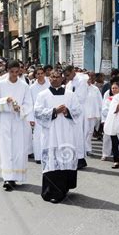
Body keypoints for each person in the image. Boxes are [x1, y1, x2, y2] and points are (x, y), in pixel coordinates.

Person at [34, 70, 81, 203]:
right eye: (52, 77)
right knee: (52, 163)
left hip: (66, 133)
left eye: (57, 77)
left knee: (65, 161)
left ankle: (64, 189)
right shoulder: (42, 95)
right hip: (51, 134)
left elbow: (78, 111)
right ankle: (51, 192)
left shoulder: (70, 95)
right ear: (49, 79)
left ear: (62, 79)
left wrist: (67, 111)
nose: (54, 79)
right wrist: (54, 111)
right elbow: (37, 112)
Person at [0, 61, 33, 191]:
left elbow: (29, 103)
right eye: (12, 72)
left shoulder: (24, 86)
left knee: (18, 148)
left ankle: (16, 175)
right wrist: (6, 101)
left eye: (17, 72)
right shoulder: (0, 84)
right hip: (5, 120)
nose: (14, 75)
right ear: (7, 71)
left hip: (19, 121)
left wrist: (20, 109)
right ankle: (7, 177)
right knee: (5, 148)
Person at [64, 66, 88, 169]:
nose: (67, 77)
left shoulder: (81, 81)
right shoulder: (69, 84)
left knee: (78, 135)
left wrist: (69, 101)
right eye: (65, 76)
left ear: (73, 71)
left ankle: (80, 159)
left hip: (78, 111)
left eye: (68, 75)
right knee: (71, 136)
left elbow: (81, 97)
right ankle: (74, 158)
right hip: (69, 111)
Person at [29, 67, 50, 163]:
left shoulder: (49, 85)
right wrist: (31, 118)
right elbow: (30, 103)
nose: (40, 75)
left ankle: (47, 156)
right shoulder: (32, 88)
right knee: (37, 136)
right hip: (37, 116)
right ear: (35, 75)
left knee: (48, 136)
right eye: (38, 73)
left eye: (42, 73)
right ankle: (38, 157)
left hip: (49, 114)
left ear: (44, 74)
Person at [102, 82, 119, 169]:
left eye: (116, 88)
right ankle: (116, 161)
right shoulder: (108, 99)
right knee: (114, 142)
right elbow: (105, 111)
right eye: (112, 88)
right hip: (112, 123)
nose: (114, 90)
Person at [84, 72, 103, 155]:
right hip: (83, 115)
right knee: (84, 132)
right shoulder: (80, 89)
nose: (90, 79)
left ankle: (87, 148)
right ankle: (84, 148)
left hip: (93, 114)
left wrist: (100, 113)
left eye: (91, 77)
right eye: (88, 77)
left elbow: (100, 102)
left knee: (90, 132)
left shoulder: (95, 89)